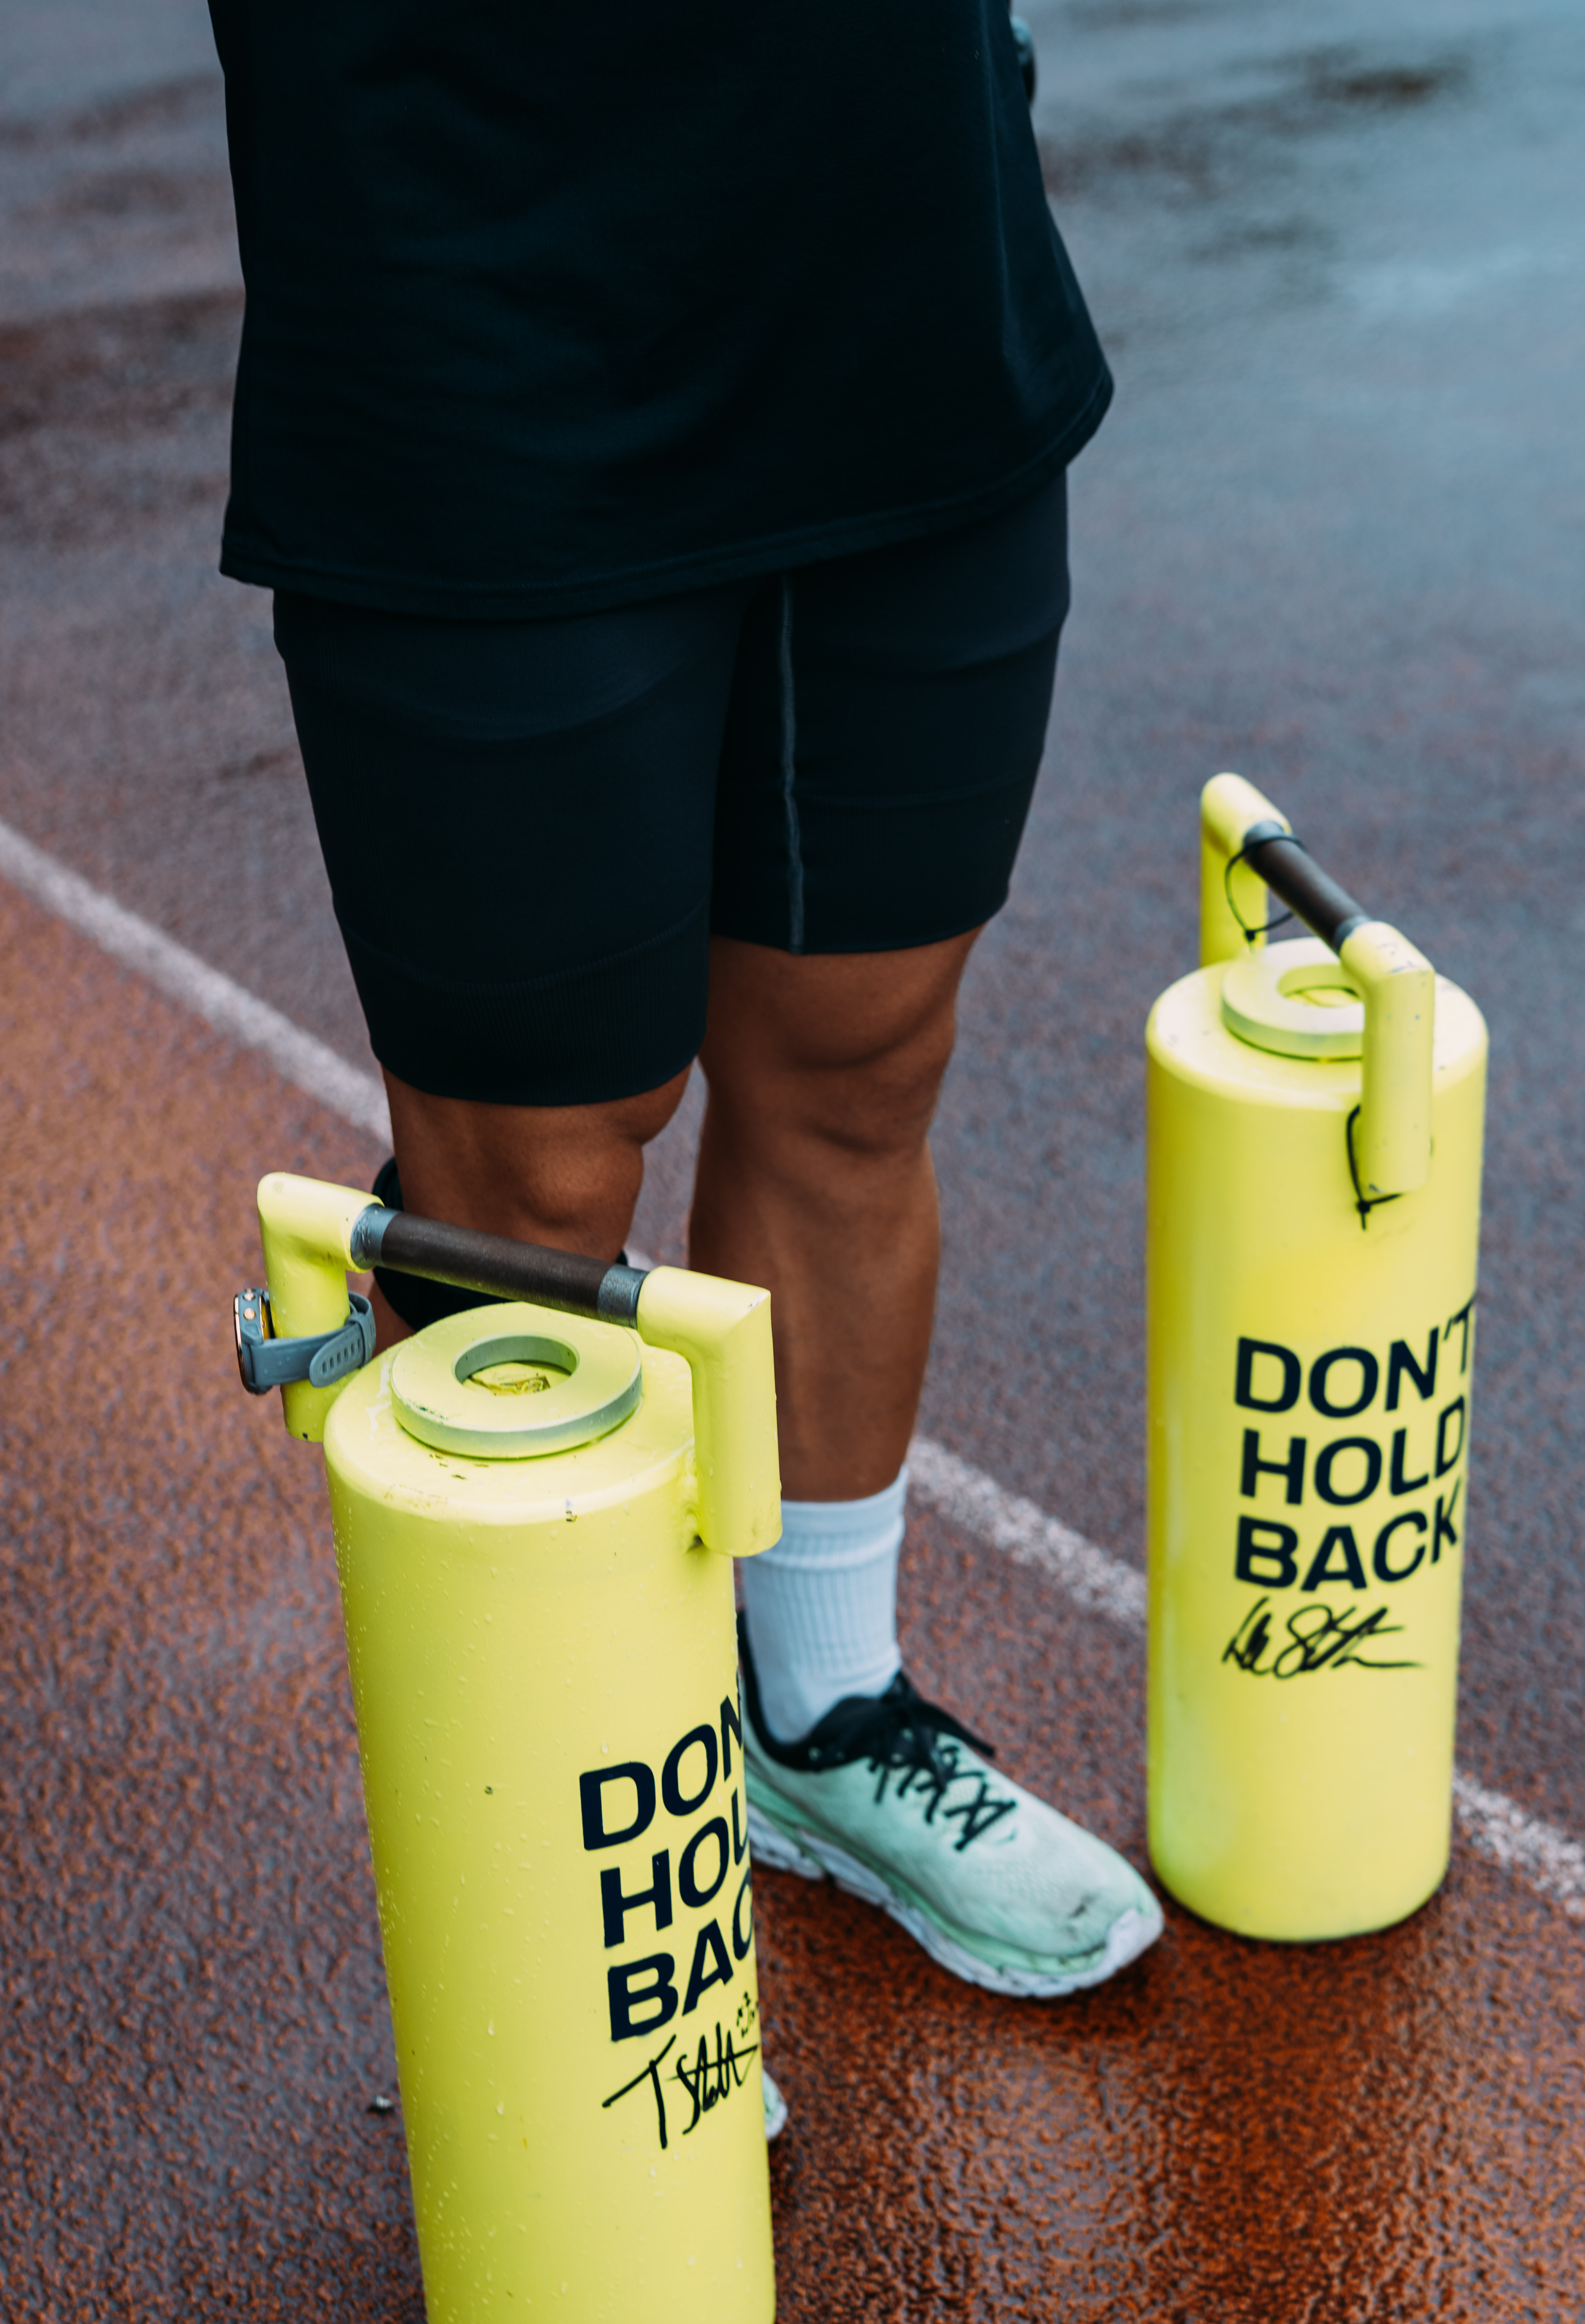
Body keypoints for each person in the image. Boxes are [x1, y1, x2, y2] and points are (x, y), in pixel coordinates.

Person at [208, 0, 1163, 2048]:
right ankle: (562, 1857)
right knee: (534, 1185)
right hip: (481, 304)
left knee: (860, 1061)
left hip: (907, 266)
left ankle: (820, 1715)